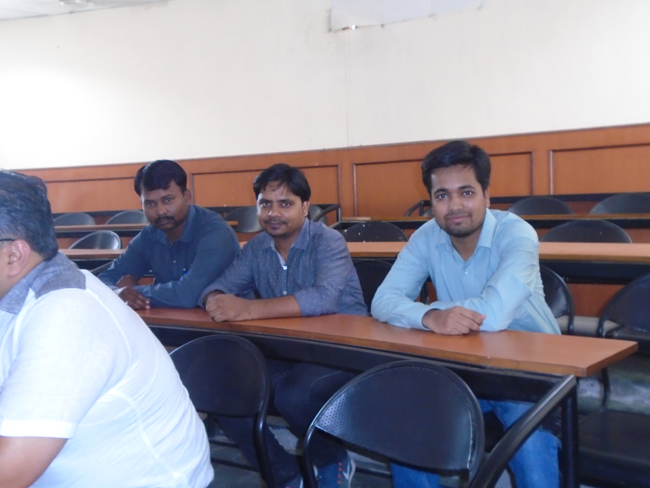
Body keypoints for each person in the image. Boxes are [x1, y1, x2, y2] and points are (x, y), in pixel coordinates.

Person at [0, 170, 213, 488]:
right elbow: (116, 274)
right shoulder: (22, 288)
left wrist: (135, 291)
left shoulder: (66, 314)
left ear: (14, 255)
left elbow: (9, 471)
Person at [371, 140, 561, 488]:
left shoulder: (516, 233)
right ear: (431, 202)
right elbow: (383, 300)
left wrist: (432, 310)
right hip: (465, 366)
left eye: (467, 192)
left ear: (487, 195)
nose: (455, 206)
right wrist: (428, 319)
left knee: (531, 448)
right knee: (405, 417)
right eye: (442, 195)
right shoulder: (426, 237)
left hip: (533, 371)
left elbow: (494, 314)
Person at [199, 163, 367, 488]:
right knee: (221, 388)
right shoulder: (257, 247)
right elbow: (217, 287)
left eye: (285, 203)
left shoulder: (328, 241)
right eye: (265, 204)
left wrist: (247, 309)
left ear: (305, 208)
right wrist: (215, 299)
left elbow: (324, 298)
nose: (273, 213)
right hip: (288, 349)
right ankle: (285, 475)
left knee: (294, 396)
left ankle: (331, 458)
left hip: (340, 352)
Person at [98, 159, 239, 309]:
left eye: (168, 200)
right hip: (171, 320)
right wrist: (117, 292)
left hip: (227, 321)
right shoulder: (149, 235)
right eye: (150, 204)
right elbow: (105, 279)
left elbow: (187, 295)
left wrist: (133, 292)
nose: (160, 211)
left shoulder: (215, 233)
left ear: (187, 197)